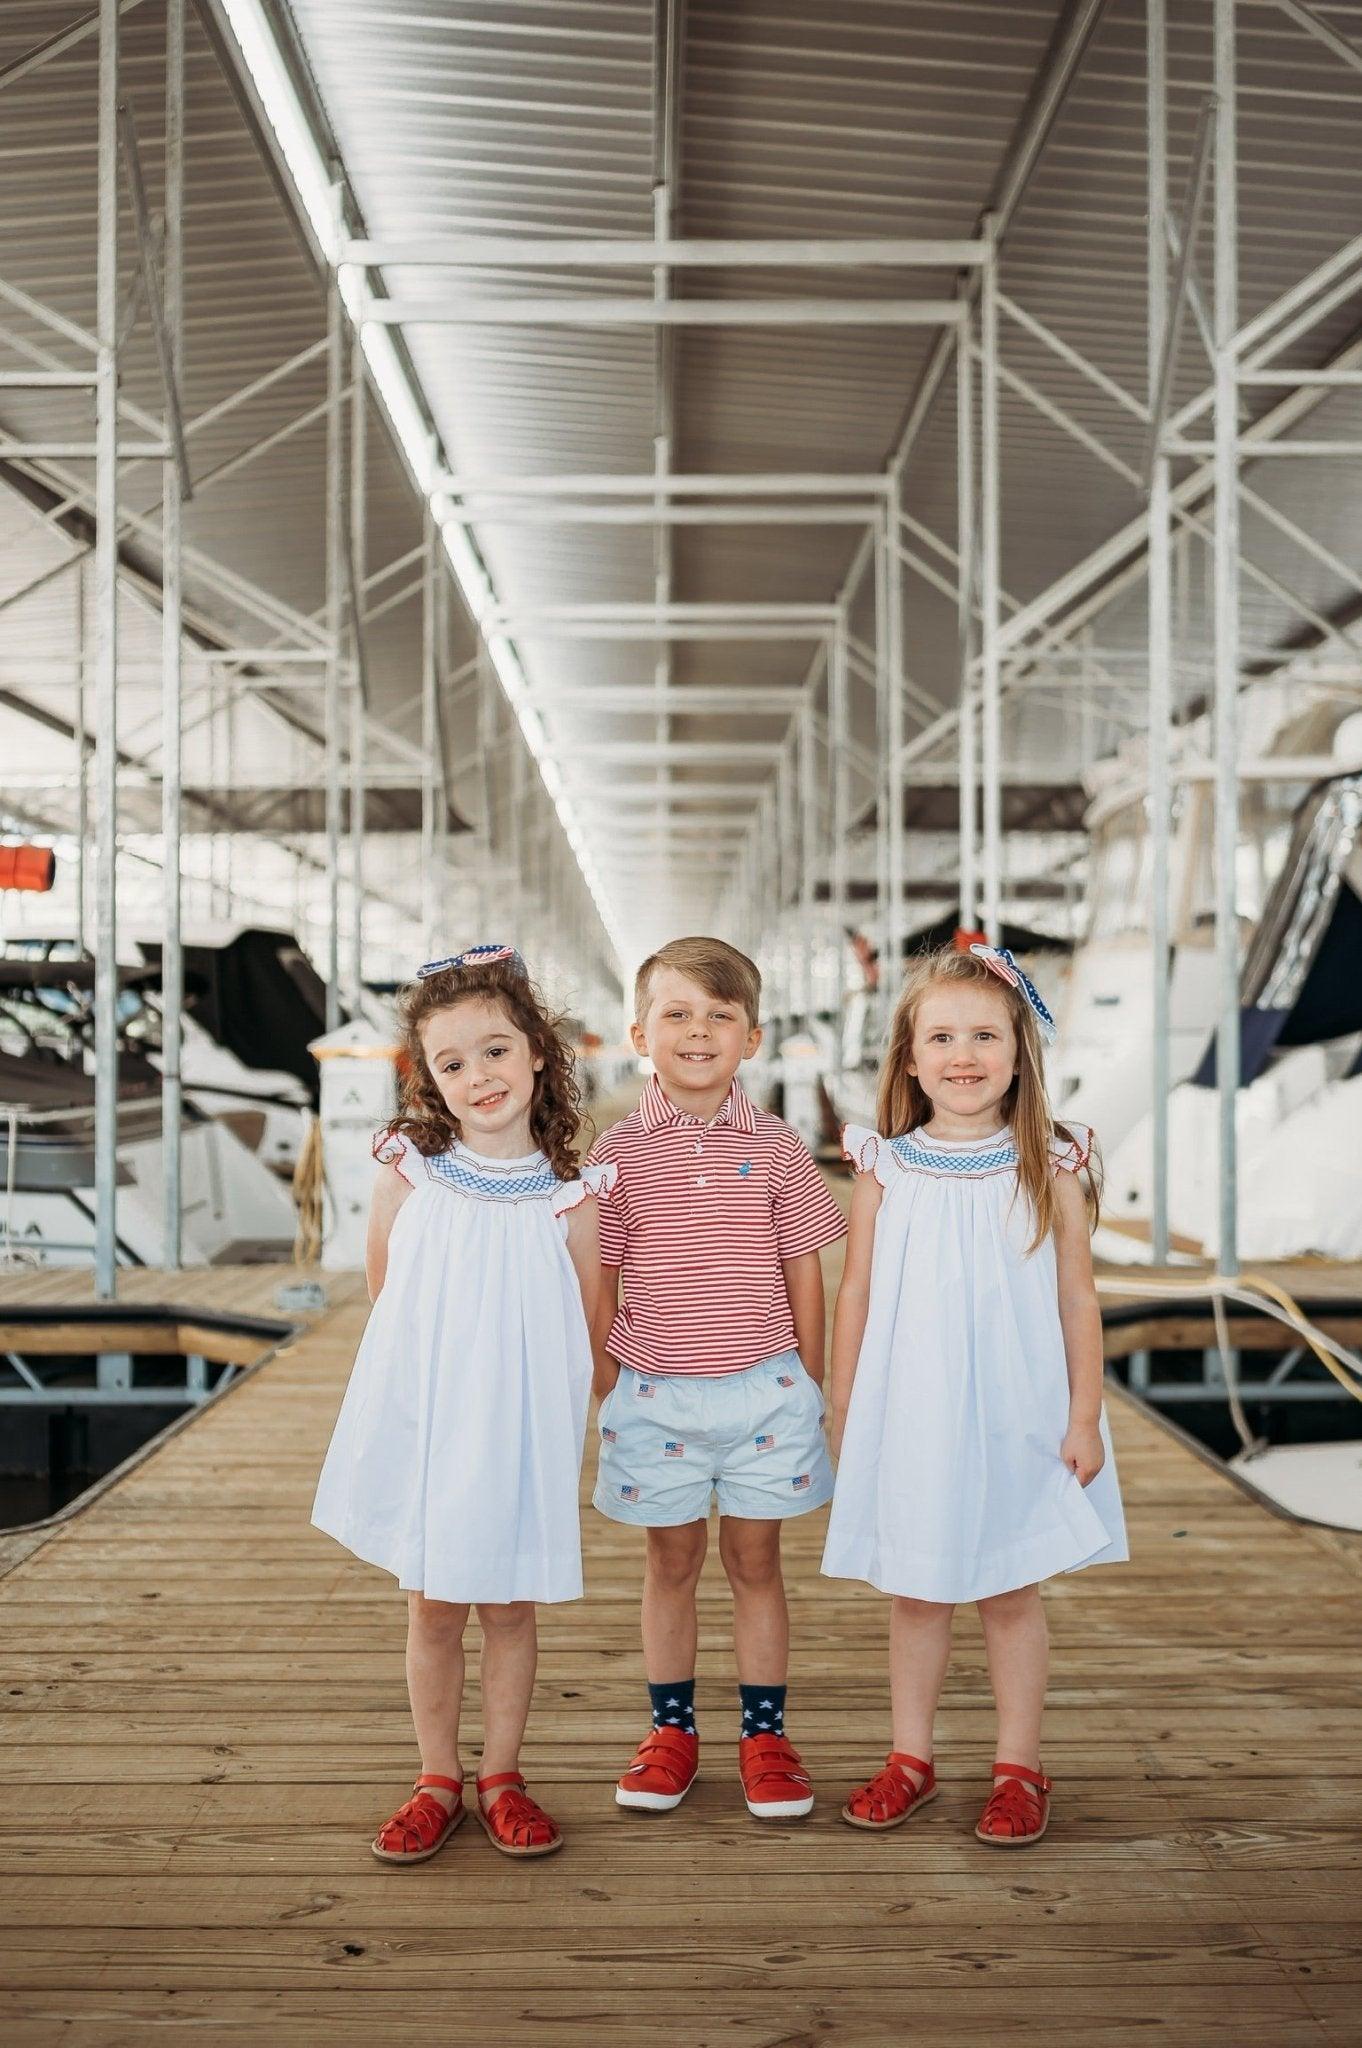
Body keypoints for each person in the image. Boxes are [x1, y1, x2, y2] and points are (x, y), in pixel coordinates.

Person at [312, 944, 613, 1864]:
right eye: (451, 1063)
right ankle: (437, 1774)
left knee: (510, 1606)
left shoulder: (572, 1194)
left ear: (536, 1053)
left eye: (495, 1051)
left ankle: (503, 1773)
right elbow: (383, 1282)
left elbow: (593, 1322)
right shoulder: (412, 1169)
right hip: (435, 1416)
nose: (477, 1075)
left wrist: (563, 1424)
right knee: (433, 1604)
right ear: (429, 1082)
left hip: (520, 1426)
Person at [823, 941, 1128, 1845]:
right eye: (943, 1036)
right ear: (910, 1059)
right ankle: (910, 1757)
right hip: (913, 1406)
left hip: (1017, 1410)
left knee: (1009, 1589)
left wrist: (1083, 1416)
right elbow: (860, 1290)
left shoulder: (1051, 1162)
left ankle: (1019, 1766)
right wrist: (844, 1403)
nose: (964, 1055)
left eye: (985, 1035)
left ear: (1019, 1053)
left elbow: (1078, 1294)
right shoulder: (887, 1163)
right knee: (917, 1591)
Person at [588, 937, 847, 1820]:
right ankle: (671, 1731)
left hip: (765, 1388)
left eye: (720, 1016)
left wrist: (811, 1378)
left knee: (755, 1559)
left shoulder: (777, 1147)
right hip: (656, 1389)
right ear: (639, 1032)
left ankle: (765, 1735)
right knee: (671, 1559)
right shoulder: (616, 1154)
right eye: (677, 1013)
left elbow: (805, 1265)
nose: (698, 1031)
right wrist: (599, 1378)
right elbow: (604, 1273)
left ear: (754, 1038)